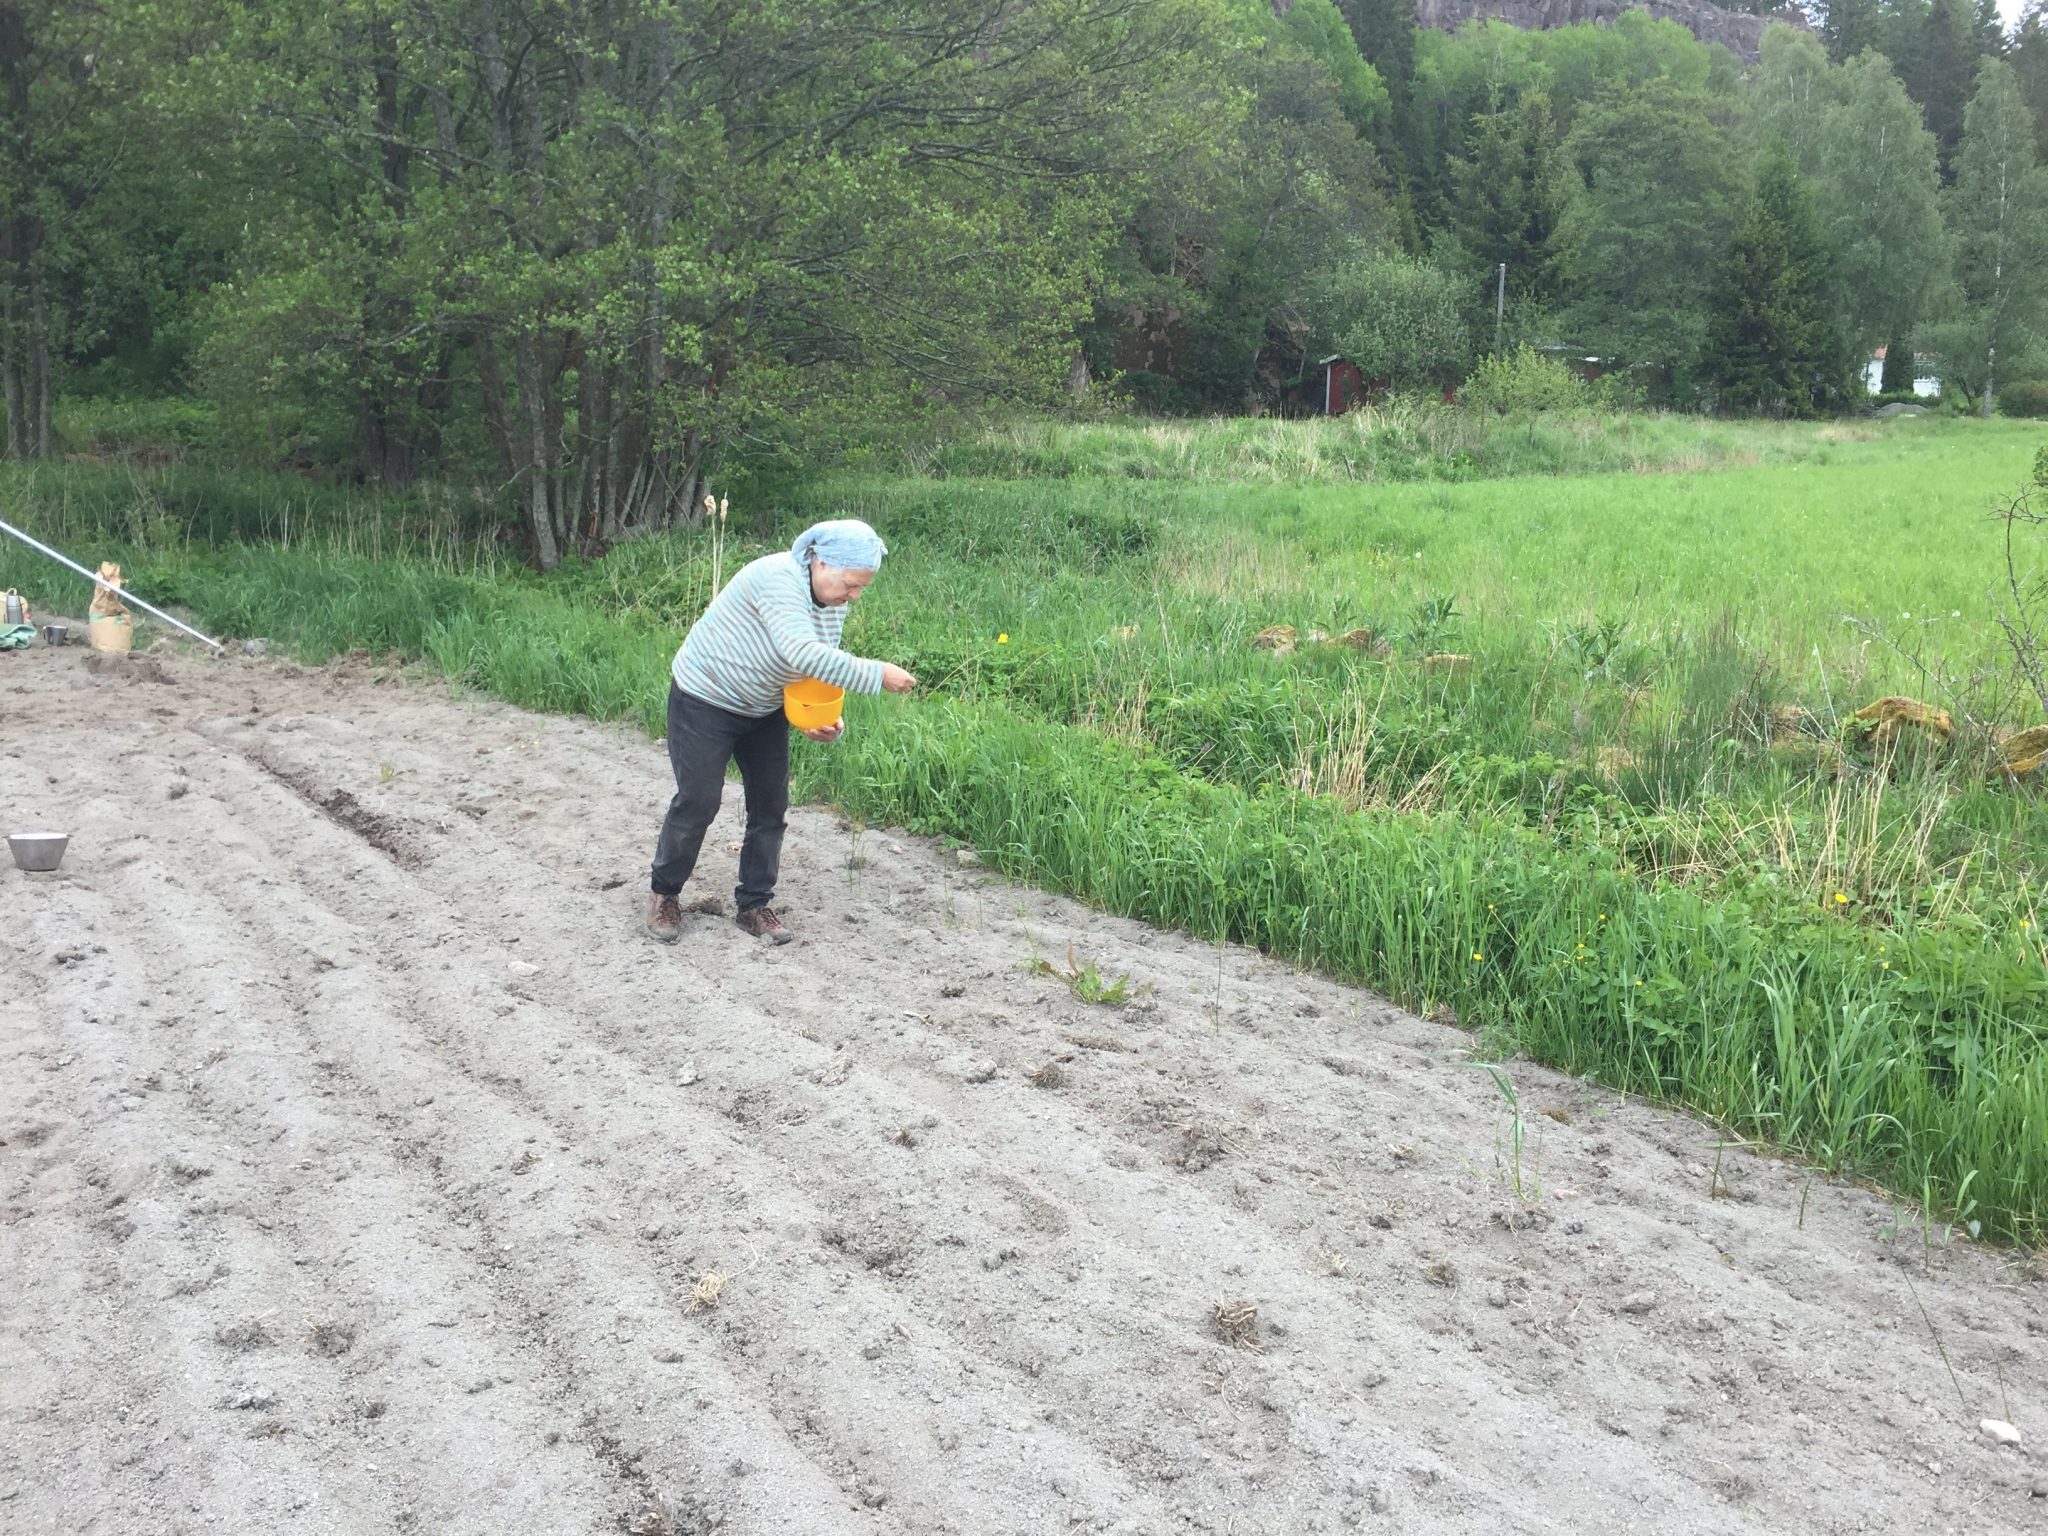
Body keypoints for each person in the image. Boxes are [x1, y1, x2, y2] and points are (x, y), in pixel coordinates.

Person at [645, 517, 917, 945]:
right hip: (705, 697)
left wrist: (817, 719)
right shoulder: (776, 578)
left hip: (764, 706)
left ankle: (753, 905)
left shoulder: (833, 600)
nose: (855, 596)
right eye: (851, 584)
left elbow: (813, 667)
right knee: (699, 801)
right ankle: (665, 893)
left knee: (771, 806)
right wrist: (876, 673)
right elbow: (800, 651)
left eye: (862, 587)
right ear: (821, 563)